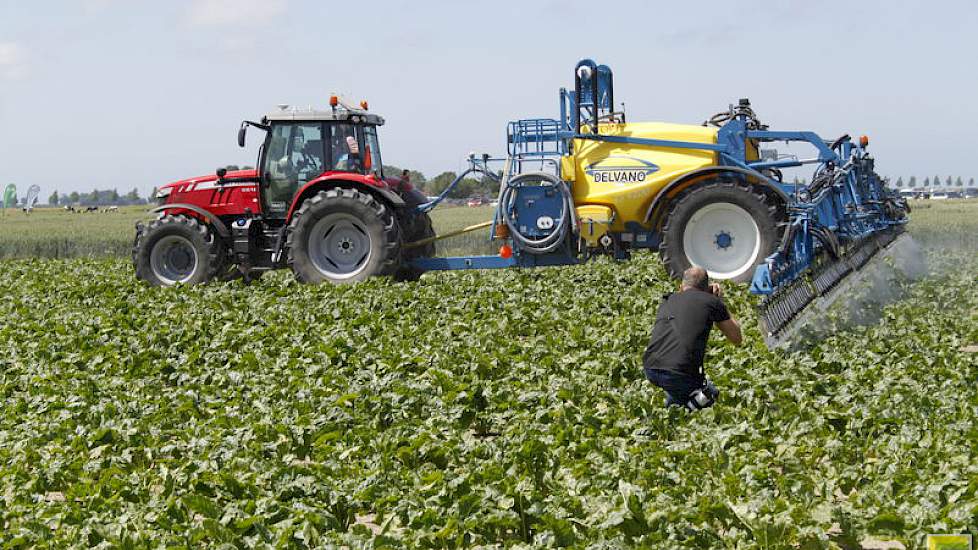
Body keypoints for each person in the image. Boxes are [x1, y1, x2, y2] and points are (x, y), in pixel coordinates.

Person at [642, 266, 743, 410]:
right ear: (707, 287)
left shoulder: (668, 299)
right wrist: (720, 302)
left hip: (650, 367)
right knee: (709, 394)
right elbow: (736, 338)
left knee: (679, 389)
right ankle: (677, 417)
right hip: (679, 373)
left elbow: (688, 302)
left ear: (681, 286)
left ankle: (671, 411)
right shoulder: (712, 303)